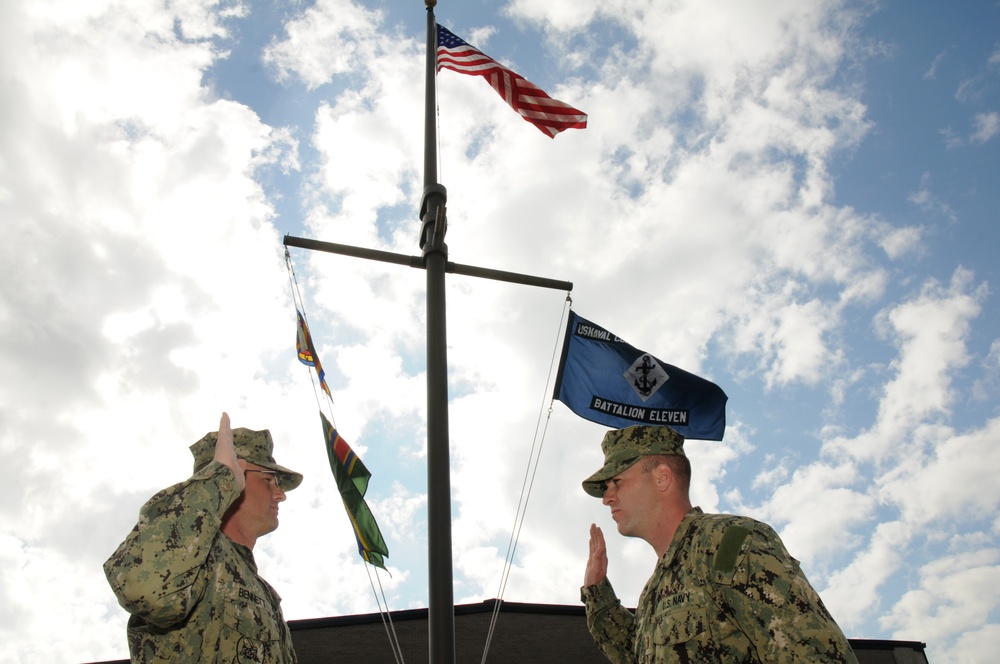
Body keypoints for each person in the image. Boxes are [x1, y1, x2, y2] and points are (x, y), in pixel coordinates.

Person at [580, 424, 858, 663]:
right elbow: (634, 655)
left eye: (617, 482)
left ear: (662, 478)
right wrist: (597, 593)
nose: (607, 497)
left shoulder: (728, 542)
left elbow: (814, 652)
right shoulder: (654, 590)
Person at [104, 412, 303, 663]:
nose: (280, 495)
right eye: (267, 480)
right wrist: (220, 478)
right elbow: (144, 588)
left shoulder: (261, 589)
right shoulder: (198, 560)